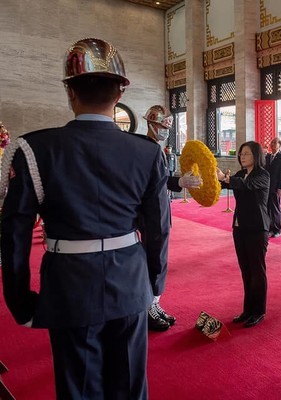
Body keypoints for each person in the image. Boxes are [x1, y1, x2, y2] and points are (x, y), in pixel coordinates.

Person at [0, 38, 170, 399]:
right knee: (128, 385)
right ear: (119, 92)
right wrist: (153, 283)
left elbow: (13, 232)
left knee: (78, 387)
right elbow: (158, 229)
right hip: (130, 281)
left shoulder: (34, 149)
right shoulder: (147, 152)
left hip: (69, 285)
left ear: (70, 93)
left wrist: (20, 300)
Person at [142, 104, 201, 331]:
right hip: (150, 213)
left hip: (161, 210)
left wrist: (178, 181)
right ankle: (148, 305)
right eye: (160, 125)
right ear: (151, 124)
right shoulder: (147, 149)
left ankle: (155, 302)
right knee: (153, 258)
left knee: (159, 258)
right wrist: (178, 182)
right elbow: (155, 182)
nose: (163, 130)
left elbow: (162, 179)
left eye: (166, 127)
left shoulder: (157, 149)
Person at [217, 141, 270, 328]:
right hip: (240, 228)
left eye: (246, 154)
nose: (242, 157)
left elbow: (246, 185)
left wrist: (226, 178)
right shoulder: (240, 174)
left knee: (257, 271)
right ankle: (247, 310)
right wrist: (214, 177)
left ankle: (258, 311)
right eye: (241, 154)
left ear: (256, 156)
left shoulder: (263, 175)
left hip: (257, 228)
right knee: (245, 270)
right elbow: (227, 185)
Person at [265, 137, 281, 238]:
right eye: (272, 143)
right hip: (267, 187)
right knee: (268, 208)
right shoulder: (268, 156)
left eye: (275, 143)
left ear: (279, 145)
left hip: (276, 187)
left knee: (275, 209)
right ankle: (270, 228)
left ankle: (277, 229)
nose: (272, 144)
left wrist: (280, 188)